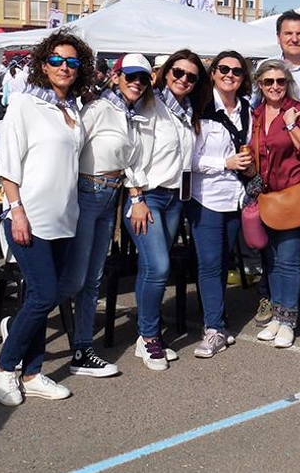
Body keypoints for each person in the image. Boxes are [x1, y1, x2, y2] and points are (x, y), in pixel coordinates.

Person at [0, 31, 92, 407]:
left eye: (72, 62)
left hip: (65, 215)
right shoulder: (24, 103)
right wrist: (16, 210)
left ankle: (32, 373)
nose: (64, 68)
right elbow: (8, 164)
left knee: (41, 294)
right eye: (56, 60)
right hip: (29, 216)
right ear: (42, 63)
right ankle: (5, 368)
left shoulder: (74, 110)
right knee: (44, 294)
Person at [58, 53, 153, 378]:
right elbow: (71, 146)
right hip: (88, 191)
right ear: (116, 77)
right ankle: (21, 323)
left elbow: (129, 163)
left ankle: (82, 349)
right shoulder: (99, 109)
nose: (136, 83)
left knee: (92, 280)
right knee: (75, 279)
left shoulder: (132, 115)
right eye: (130, 76)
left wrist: (135, 193)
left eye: (143, 78)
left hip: (111, 195)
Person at [124, 51, 195, 370]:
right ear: (166, 74)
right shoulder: (150, 105)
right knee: (159, 266)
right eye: (178, 73)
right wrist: (136, 197)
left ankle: (144, 334)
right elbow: (130, 152)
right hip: (147, 197)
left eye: (191, 76)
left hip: (174, 199)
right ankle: (151, 336)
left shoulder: (188, 111)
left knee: (150, 269)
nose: (183, 79)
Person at [187, 50, 254, 358]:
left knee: (224, 260)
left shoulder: (247, 110)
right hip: (207, 198)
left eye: (236, 71)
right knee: (210, 264)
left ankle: (218, 316)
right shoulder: (198, 107)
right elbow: (189, 159)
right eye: (223, 69)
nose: (230, 75)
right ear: (213, 73)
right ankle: (213, 328)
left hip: (236, 197)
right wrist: (225, 162)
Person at [250, 60, 300, 349]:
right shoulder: (255, 113)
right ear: (260, 85)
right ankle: (278, 315)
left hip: (294, 193)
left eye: (280, 81)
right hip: (267, 196)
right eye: (268, 82)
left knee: (289, 261)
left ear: (287, 82)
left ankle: (289, 319)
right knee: (273, 261)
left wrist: (291, 122)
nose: (275, 86)